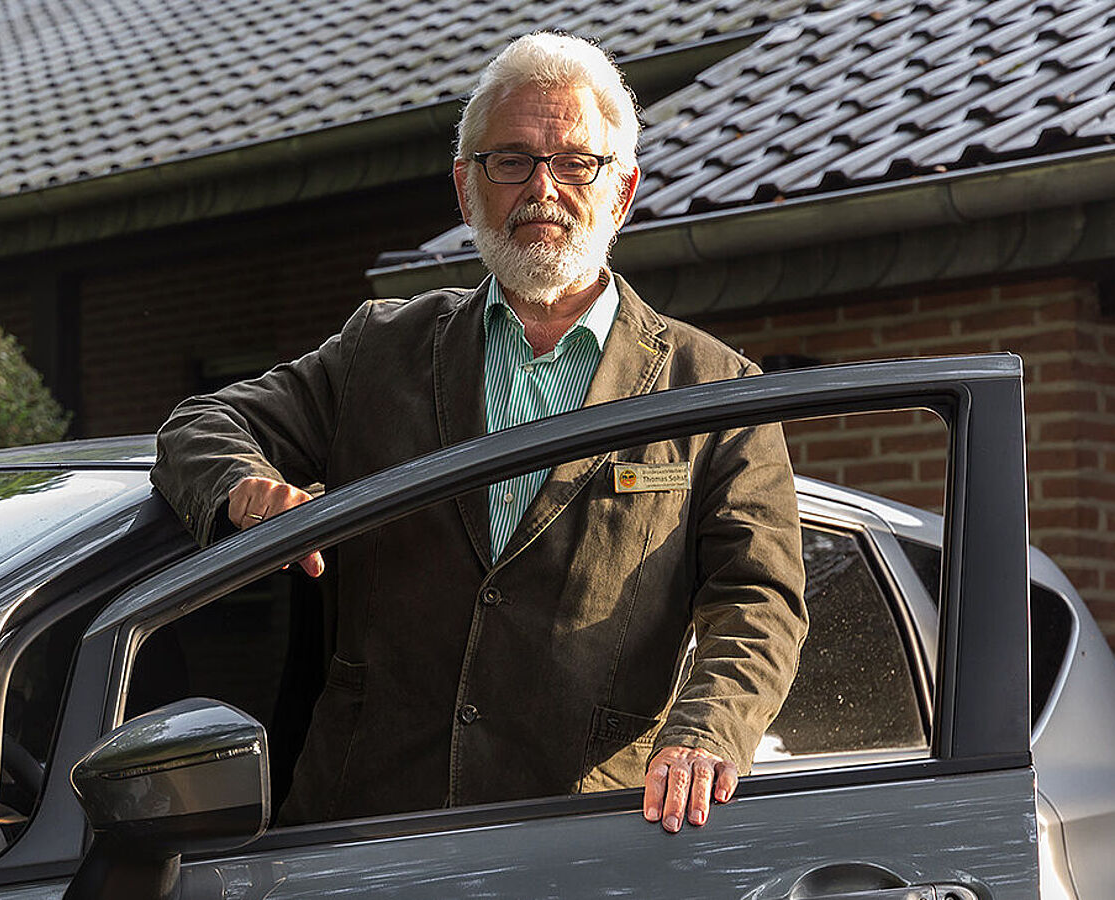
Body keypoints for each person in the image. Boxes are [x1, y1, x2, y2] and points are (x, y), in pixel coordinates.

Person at [151, 32, 806, 834]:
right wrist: (243, 490)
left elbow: (758, 598)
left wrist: (706, 730)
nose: (542, 188)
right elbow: (201, 423)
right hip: (360, 830)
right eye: (511, 161)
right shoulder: (379, 349)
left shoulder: (715, 390)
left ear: (621, 192)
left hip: (584, 834)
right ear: (466, 190)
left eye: (575, 163)